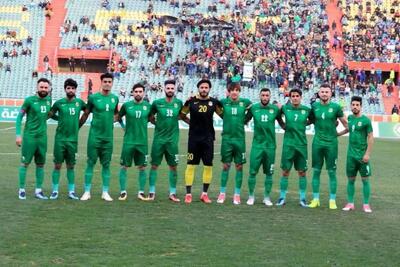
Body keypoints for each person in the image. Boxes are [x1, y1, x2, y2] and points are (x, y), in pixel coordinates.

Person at [180, 79, 222, 204]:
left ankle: (204, 194)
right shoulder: (190, 101)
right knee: (190, 165)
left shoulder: (214, 103)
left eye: (206, 87)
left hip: (208, 138)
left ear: (209, 89)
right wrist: (191, 123)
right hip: (193, 138)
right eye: (202, 87)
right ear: (198, 88)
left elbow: (224, 115)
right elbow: (181, 115)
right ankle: (188, 194)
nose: (204, 89)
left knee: (208, 165)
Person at [79, 73, 119, 201]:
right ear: (101, 83)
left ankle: (105, 192)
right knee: (90, 163)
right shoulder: (93, 98)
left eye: (109, 81)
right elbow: (85, 114)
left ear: (112, 83)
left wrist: (111, 121)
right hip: (94, 137)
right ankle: (86, 192)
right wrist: (77, 127)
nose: (107, 83)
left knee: (106, 165)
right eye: (105, 81)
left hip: (108, 138)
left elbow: (117, 115)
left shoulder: (115, 98)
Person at [308, 83, 348, 209]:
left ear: (331, 94)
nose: (324, 94)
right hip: (317, 143)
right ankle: (315, 199)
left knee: (331, 172)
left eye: (327, 92)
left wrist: (337, 134)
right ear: (319, 93)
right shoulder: (314, 106)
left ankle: (332, 200)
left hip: (331, 144)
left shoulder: (336, 107)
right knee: (316, 172)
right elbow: (310, 120)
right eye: (322, 92)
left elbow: (348, 126)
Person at [48, 79, 86, 200]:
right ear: (65, 89)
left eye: (72, 88)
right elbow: (50, 114)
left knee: (71, 166)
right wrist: (60, 119)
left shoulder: (79, 103)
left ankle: (71, 191)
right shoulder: (59, 103)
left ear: (75, 90)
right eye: (68, 88)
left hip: (72, 140)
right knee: (57, 165)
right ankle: (54, 191)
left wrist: (78, 124)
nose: (70, 90)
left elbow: (87, 112)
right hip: (60, 139)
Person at [15, 78, 52, 200]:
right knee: (25, 163)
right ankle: (21, 189)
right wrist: (18, 135)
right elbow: (19, 117)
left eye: (46, 87)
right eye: (41, 87)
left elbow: (47, 116)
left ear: (49, 89)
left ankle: (38, 190)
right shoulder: (29, 101)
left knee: (40, 164)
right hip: (29, 137)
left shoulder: (48, 100)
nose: (43, 89)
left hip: (42, 138)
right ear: (37, 87)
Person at [245, 88, 282, 206]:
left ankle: (267, 197)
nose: (265, 97)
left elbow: (282, 122)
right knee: (252, 172)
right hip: (257, 146)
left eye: (267, 95)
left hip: (270, 146)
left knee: (269, 173)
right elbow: (245, 120)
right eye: (263, 95)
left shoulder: (275, 109)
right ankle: (251, 196)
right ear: (259, 96)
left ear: (270, 97)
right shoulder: (253, 108)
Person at [148, 80, 183, 202]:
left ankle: (172, 193)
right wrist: (156, 123)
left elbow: (181, 116)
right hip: (159, 140)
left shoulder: (179, 103)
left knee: (173, 166)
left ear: (175, 89)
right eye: (168, 88)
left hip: (172, 141)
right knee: (154, 165)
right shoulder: (157, 103)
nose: (170, 90)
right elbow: (150, 116)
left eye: (172, 88)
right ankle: (152, 192)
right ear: (164, 89)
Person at [217, 83, 252, 205]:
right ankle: (222, 193)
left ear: (239, 92)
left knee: (239, 166)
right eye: (232, 90)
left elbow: (253, 109)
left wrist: (246, 120)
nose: (234, 92)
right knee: (226, 166)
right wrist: (223, 116)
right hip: (226, 139)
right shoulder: (223, 102)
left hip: (240, 139)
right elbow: (215, 108)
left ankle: (237, 195)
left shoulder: (245, 102)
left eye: (237, 90)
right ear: (228, 91)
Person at [116, 83, 151, 201]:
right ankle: (123, 192)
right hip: (128, 142)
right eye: (136, 91)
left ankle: (141, 192)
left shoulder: (148, 106)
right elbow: (118, 117)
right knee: (124, 166)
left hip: (142, 142)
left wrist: (142, 125)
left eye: (140, 91)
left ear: (144, 93)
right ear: (132, 93)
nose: (138, 93)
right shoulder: (127, 106)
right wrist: (123, 126)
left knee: (142, 167)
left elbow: (151, 119)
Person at [338, 96, 373, 213]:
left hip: (363, 156)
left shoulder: (366, 121)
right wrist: (338, 134)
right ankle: (350, 203)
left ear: (361, 106)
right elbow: (349, 129)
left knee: (365, 180)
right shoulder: (350, 118)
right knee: (351, 180)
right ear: (351, 106)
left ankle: (366, 204)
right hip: (351, 156)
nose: (355, 107)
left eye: (357, 105)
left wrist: (367, 154)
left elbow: (371, 137)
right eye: (353, 105)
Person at [277, 88, 311, 207]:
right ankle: (282, 198)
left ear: (301, 97)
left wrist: (304, 124)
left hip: (301, 145)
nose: (295, 98)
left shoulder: (306, 110)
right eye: (293, 96)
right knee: (285, 172)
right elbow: (277, 116)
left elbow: (313, 119)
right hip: (288, 145)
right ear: (290, 97)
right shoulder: (285, 108)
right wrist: (282, 125)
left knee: (302, 173)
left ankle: (302, 199)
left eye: (297, 96)